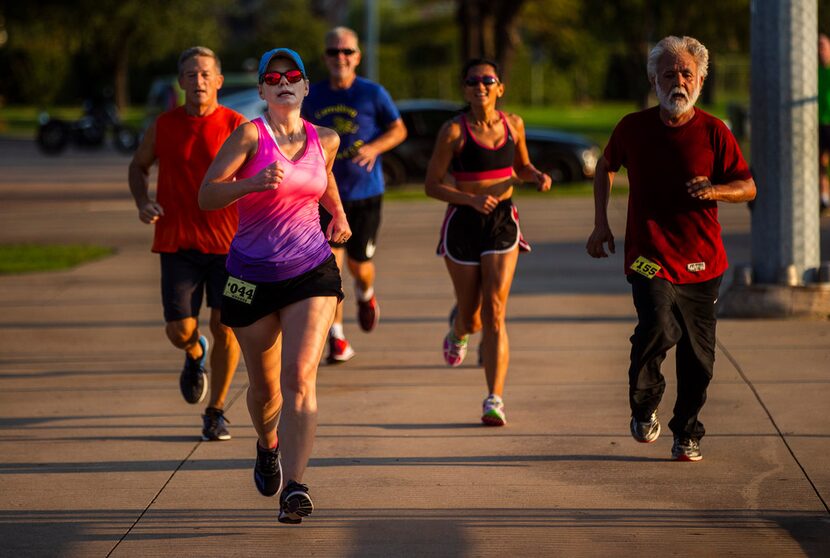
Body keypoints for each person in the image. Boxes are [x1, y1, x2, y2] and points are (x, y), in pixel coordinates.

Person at [586, 36, 756, 461]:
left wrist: (716, 190)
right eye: (668, 73)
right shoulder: (632, 127)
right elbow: (606, 167)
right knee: (658, 325)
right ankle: (644, 407)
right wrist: (601, 222)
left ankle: (687, 431)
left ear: (700, 80)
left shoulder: (715, 132)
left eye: (686, 74)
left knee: (699, 361)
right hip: (648, 254)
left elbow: (748, 186)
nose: (678, 81)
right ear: (653, 79)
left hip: (704, 263)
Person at [198, 48, 350, 524]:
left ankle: (296, 486)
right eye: (273, 76)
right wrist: (252, 184)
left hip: (311, 270)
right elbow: (207, 195)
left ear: (305, 88)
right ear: (262, 90)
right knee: (266, 390)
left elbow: (322, 179)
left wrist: (339, 213)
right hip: (250, 277)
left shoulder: (325, 138)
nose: (284, 81)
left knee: (300, 377)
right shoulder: (248, 135)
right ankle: (267, 445)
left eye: (293, 76)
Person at [424, 58, 551, 426]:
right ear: (464, 89)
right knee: (473, 315)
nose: (480, 86)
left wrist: (536, 175)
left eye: (487, 80)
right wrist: (470, 199)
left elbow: (522, 166)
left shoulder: (514, 125)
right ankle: (459, 330)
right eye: (472, 81)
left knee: (495, 310)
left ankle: (494, 398)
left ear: (500, 87)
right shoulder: (453, 131)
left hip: (501, 223)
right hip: (462, 223)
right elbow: (431, 185)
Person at [128, 46, 244, 442]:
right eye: (191, 74)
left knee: (228, 327)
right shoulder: (164, 125)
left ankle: (216, 412)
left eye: (206, 74)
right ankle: (195, 354)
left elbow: (259, 177)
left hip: (231, 246)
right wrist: (144, 201)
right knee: (179, 329)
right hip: (178, 243)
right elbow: (138, 166)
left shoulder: (237, 125)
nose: (199, 81)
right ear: (180, 81)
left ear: (219, 81)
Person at [302, 26, 407, 364]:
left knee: (360, 266)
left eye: (347, 52)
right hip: (324, 196)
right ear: (325, 57)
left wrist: (375, 148)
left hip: (365, 194)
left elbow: (399, 129)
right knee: (331, 267)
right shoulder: (311, 95)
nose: (341, 58)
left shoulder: (372, 93)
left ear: (358, 56)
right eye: (334, 52)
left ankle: (366, 294)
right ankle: (338, 337)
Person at [819, 33, 830, 213]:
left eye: (823, 46)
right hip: (819, 122)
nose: (820, 50)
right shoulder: (814, 71)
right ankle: (824, 197)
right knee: (821, 161)